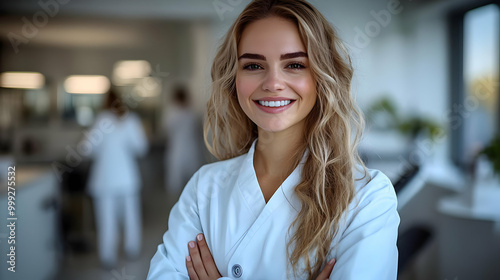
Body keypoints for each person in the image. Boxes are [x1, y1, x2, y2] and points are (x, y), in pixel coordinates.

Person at [147, 0, 399, 279]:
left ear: (322, 77)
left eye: (294, 64)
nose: (272, 83)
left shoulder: (367, 197)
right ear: (234, 78)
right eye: (254, 65)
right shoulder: (204, 188)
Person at [86, 89, 148, 268]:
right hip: (127, 178)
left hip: (104, 179)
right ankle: (132, 249)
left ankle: (108, 256)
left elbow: (87, 148)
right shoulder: (131, 120)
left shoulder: (100, 121)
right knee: (131, 217)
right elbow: (142, 148)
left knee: (106, 219)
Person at [163, 85, 204, 195]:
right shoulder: (192, 113)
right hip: (191, 149)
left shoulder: (172, 114)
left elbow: (167, 131)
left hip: (178, 150)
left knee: (176, 183)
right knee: (192, 183)